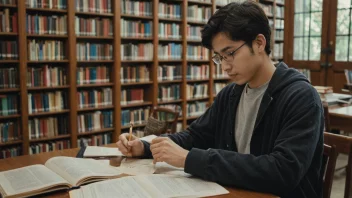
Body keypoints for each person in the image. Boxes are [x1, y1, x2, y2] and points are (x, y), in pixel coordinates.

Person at [116, 1, 324, 197]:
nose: (224, 67)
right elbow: (195, 136)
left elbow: (282, 172)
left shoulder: (301, 97)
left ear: (259, 43)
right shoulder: (231, 94)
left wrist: (189, 159)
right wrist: (144, 147)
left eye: (230, 53)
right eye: (219, 58)